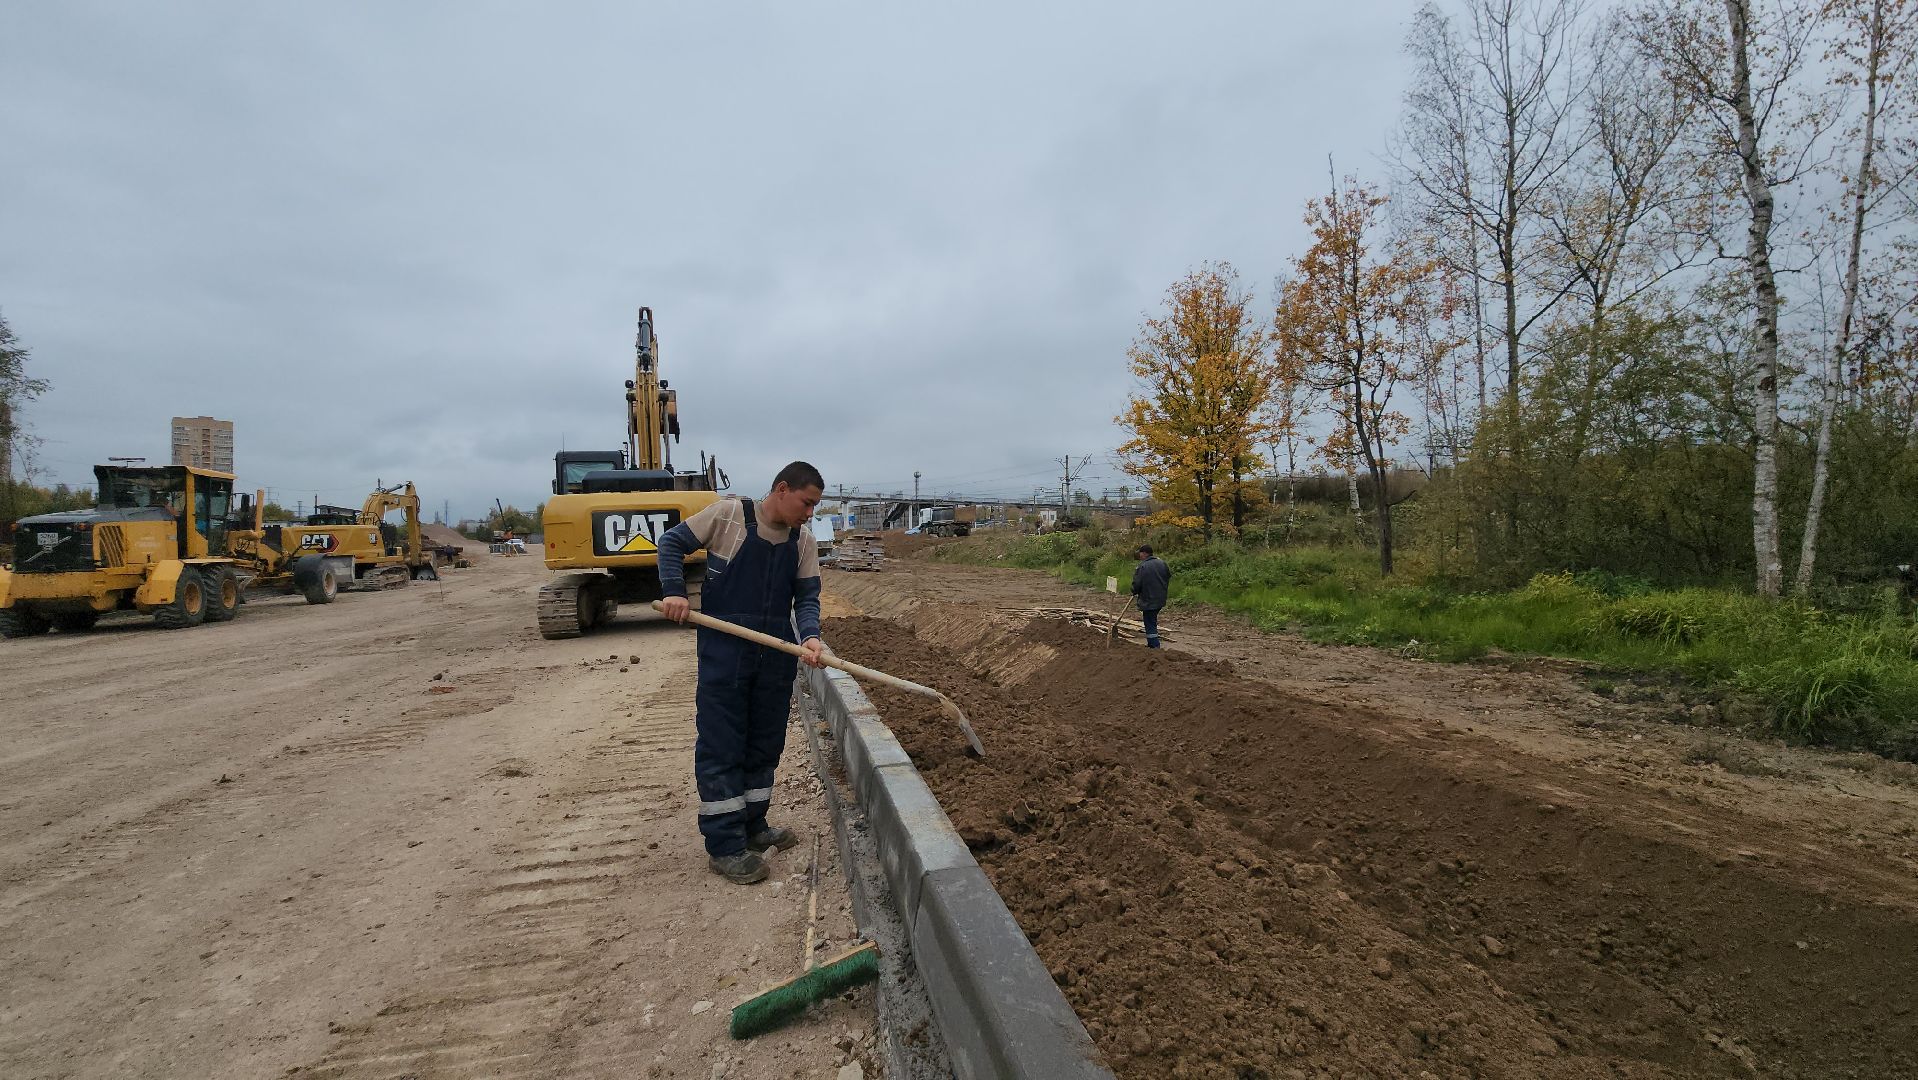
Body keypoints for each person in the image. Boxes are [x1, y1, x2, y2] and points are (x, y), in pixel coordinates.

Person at [656, 462, 828, 885]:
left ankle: (754, 825)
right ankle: (725, 845)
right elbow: (671, 544)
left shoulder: (802, 542)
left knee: (764, 743)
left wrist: (809, 636)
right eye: (806, 503)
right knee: (723, 744)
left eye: (814, 507)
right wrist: (675, 591)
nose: (809, 514)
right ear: (782, 489)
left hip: (774, 653)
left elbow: (806, 598)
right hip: (726, 651)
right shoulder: (727, 516)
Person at [1130, 543, 1170, 649]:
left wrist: (1134, 591)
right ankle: (1153, 643)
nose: (1139, 555)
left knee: (1149, 621)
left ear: (1145, 553)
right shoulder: (1162, 563)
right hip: (1160, 598)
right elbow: (1168, 576)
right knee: (1152, 619)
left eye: (1140, 553)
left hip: (1149, 599)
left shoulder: (1142, 566)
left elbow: (1137, 583)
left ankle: (1154, 645)